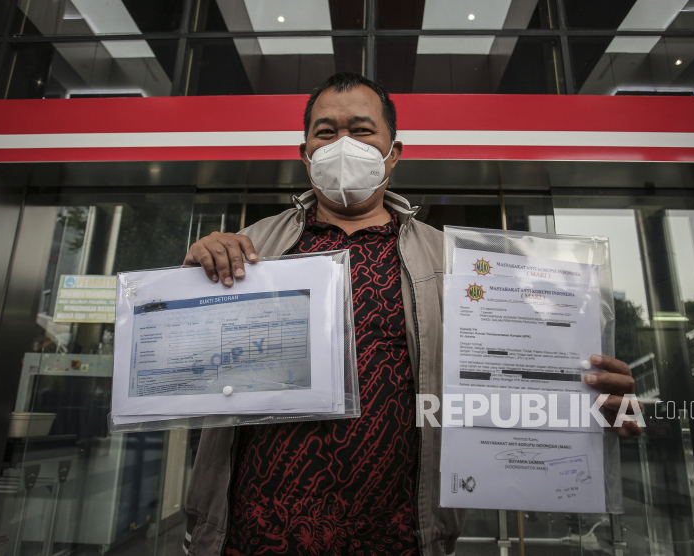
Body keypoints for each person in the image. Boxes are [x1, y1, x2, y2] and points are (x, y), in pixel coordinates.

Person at [181, 72, 641, 556]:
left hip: (399, 536)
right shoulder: (249, 249)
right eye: (325, 132)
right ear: (305, 154)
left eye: (360, 131)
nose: (343, 144)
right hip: (257, 534)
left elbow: (509, 373)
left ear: (393, 152)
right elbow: (191, 367)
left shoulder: (458, 264)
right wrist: (192, 284)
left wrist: (586, 404)